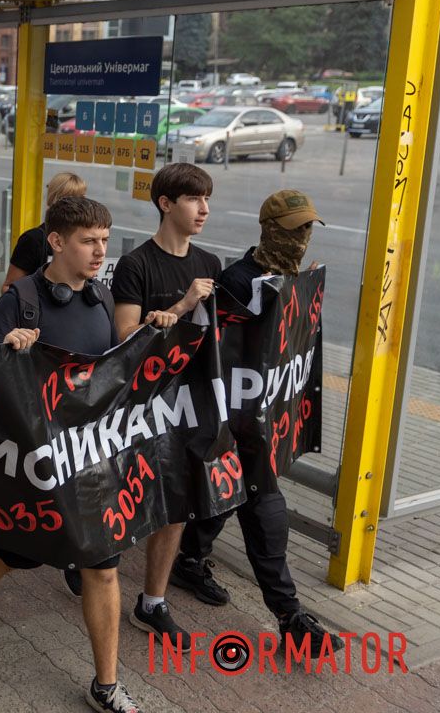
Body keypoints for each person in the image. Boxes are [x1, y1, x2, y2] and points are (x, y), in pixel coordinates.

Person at [0, 196, 170, 713]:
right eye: (89, 241)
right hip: (35, 464)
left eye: (105, 241)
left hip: (90, 460)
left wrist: (156, 329)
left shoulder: (104, 299)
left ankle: (105, 684)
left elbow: (113, 375)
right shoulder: (18, 301)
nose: (99, 251)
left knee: (103, 566)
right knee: (13, 552)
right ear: (58, 242)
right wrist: (10, 350)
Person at [172, 189, 343, 651]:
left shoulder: (289, 279)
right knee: (264, 509)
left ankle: (190, 559)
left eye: (308, 229)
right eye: (293, 230)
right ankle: (289, 618)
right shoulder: (237, 280)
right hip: (232, 422)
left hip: (259, 424)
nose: (302, 239)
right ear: (269, 230)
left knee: (234, 498)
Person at [110, 162, 221, 640]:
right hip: (135, 407)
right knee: (118, 499)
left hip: (182, 407)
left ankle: (152, 602)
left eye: (207, 200)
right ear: (166, 204)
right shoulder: (137, 264)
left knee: (175, 505)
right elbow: (123, 337)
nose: (204, 209)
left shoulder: (210, 265)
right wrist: (179, 307)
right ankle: (88, 559)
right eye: (195, 199)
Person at [1, 171, 87, 291]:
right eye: (70, 199)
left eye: (82, 199)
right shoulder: (33, 240)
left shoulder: (81, 238)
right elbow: (9, 287)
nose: (78, 206)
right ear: (55, 201)